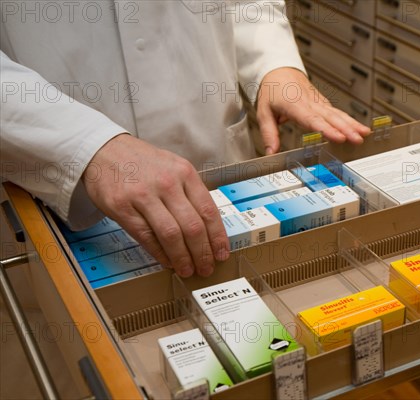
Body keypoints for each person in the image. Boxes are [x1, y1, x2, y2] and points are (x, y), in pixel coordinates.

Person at [0, 1, 370, 278]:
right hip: (60, 192)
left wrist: (274, 63)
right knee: (92, 364)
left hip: (216, 156)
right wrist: (86, 144)